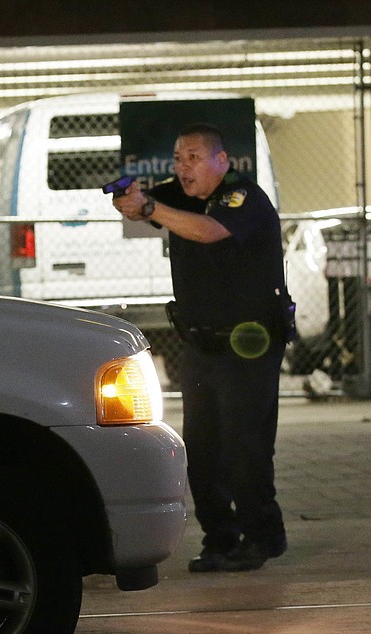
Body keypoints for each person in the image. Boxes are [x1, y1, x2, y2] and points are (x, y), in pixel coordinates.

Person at [112, 123, 290, 573]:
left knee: (244, 446)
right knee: (203, 448)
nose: (183, 167)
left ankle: (262, 535)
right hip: (200, 344)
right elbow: (145, 206)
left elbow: (209, 231)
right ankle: (221, 538)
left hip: (248, 345)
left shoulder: (241, 197)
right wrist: (133, 201)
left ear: (221, 160)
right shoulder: (177, 193)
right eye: (177, 158)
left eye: (193, 157)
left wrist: (151, 206)